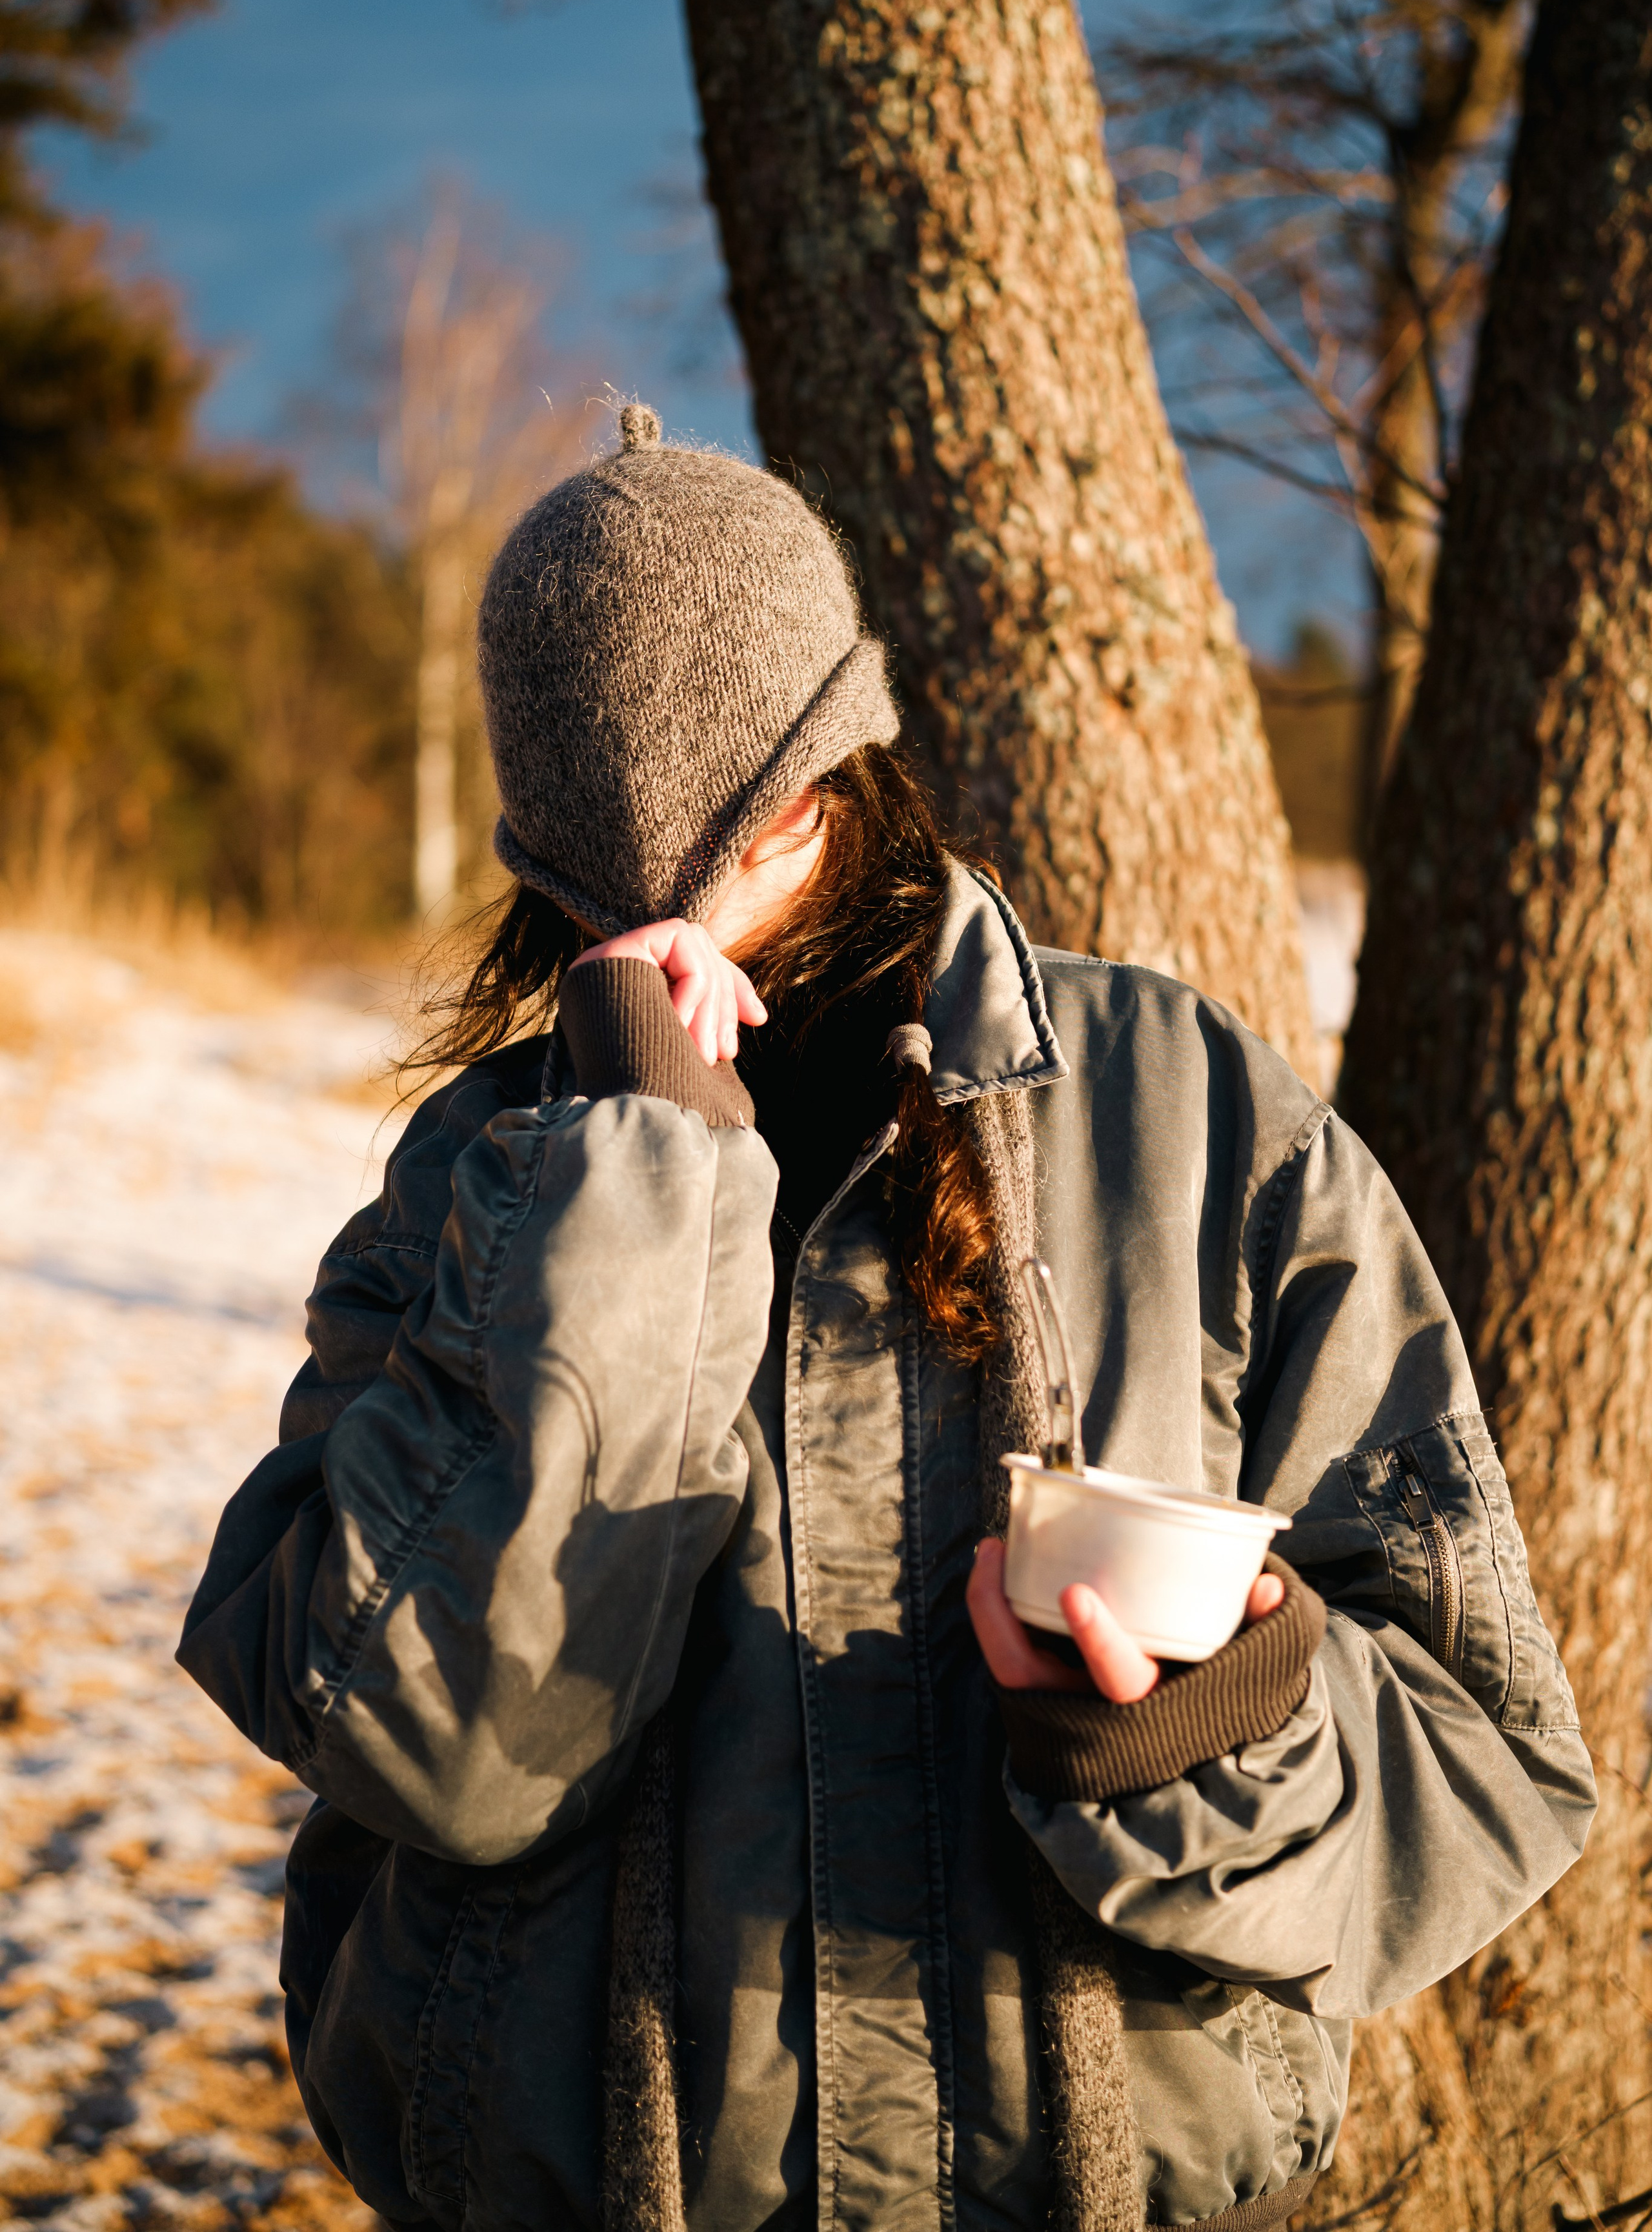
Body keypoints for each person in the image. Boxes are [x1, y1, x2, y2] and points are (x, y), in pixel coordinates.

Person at [178, 405, 1593, 2232]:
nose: (691, 926)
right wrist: (631, 1181)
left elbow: (1493, 1764)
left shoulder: (1196, 1123)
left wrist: (1198, 1737)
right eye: (617, 891)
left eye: (757, 833)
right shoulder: (486, 1177)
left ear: (845, 777)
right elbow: (436, 1745)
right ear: (547, 876)